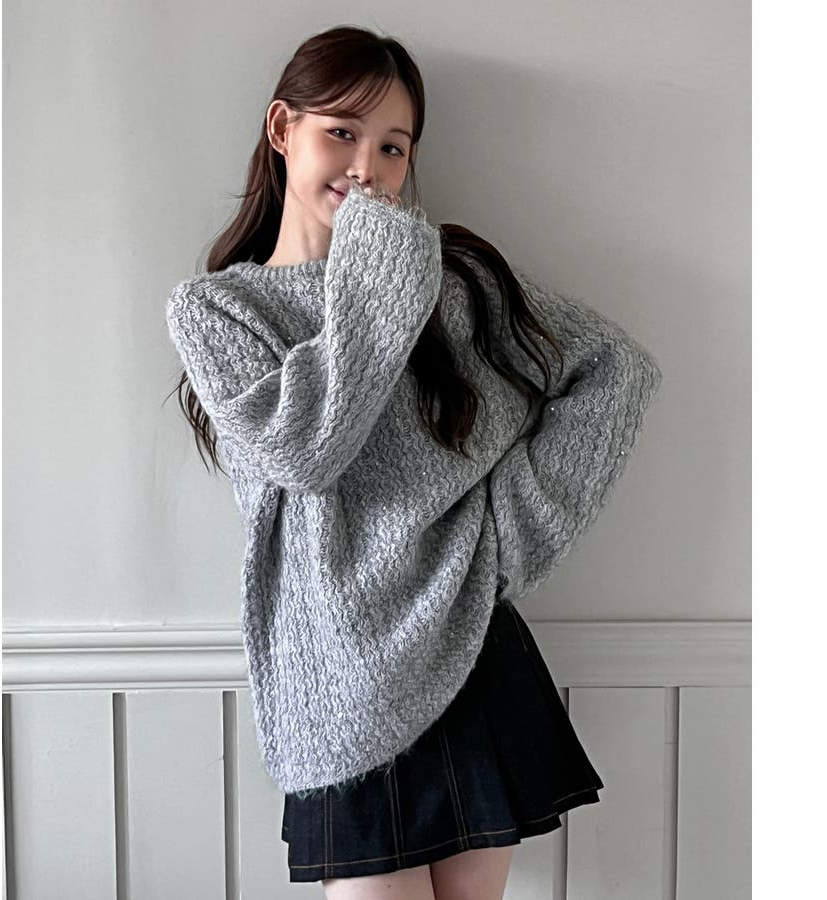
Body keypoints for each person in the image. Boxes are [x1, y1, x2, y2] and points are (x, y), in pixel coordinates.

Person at [165, 24, 663, 900]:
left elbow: (614, 369)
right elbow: (306, 451)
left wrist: (506, 538)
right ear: (283, 129)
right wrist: (376, 274)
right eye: (342, 133)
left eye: (393, 146)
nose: (367, 167)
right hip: (340, 689)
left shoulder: (451, 280)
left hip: (470, 648)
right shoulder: (219, 310)